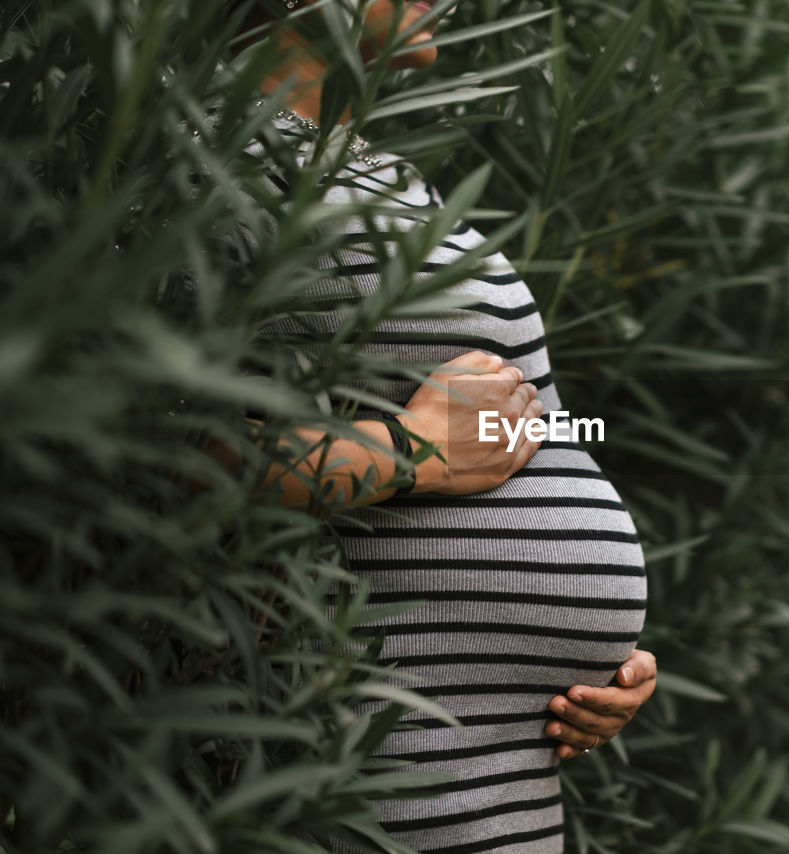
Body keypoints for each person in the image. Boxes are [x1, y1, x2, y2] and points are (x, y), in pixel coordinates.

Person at [235, 2, 658, 851]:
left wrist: (599, 662)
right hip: (371, 790)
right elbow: (148, 459)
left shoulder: (373, 169)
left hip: (502, 782)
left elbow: (523, 429)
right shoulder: (215, 156)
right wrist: (414, 452)